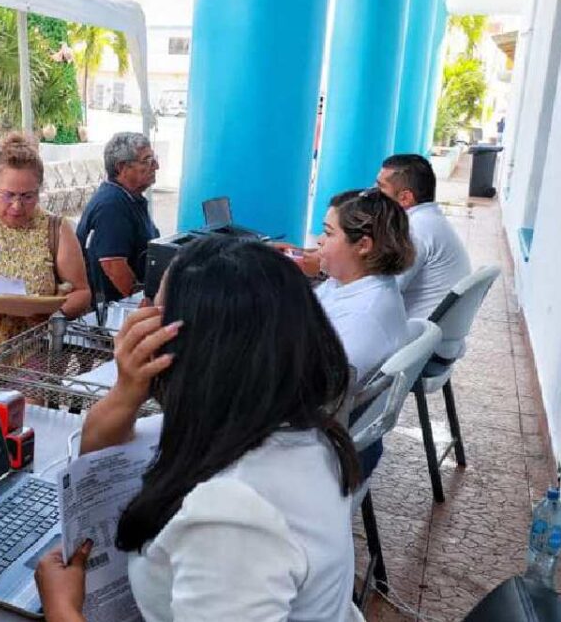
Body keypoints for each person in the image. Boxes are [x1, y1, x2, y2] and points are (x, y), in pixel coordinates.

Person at [35, 236, 363, 621]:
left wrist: (62, 609)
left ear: (192, 348)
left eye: (154, 311)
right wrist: (127, 390)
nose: (141, 319)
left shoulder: (231, 515)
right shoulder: (297, 429)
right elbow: (101, 455)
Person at [316, 188, 415, 477]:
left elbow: (315, 391)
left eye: (329, 233)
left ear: (363, 245)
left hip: (321, 446)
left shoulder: (365, 315)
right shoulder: (347, 283)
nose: (320, 241)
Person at [0, 133, 91, 348]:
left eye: (28, 196)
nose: (17, 206)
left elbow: (82, 293)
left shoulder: (56, 229)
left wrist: (56, 314)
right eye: (8, 195)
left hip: (35, 350)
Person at [376, 153, 472, 321]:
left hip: (417, 336)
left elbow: (381, 293)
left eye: (380, 188)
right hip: (434, 330)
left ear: (405, 198)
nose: (373, 193)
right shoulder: (429, 220)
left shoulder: (414, 230)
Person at [76, 132, 161, 303]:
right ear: (122, 167)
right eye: (147, 161)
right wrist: (146, 304)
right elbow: (114, 267)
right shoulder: (112, 206)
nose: (156, 166)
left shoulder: (128, 198)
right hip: (113, 312)